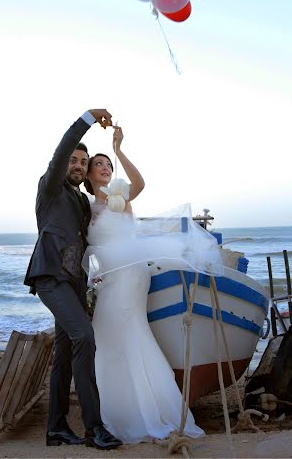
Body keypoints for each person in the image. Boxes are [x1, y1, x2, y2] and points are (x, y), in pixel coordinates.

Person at [83, 126, 205, 443]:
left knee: (127, 333)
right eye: (99, 163)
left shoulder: (119, 197)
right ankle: (117, 410)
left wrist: (118, 149)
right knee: (106, 339)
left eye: (108, 164)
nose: (105, 167)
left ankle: (144, 412)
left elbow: (140, 183)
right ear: (88, 173)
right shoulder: (86, 208)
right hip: (109, 280)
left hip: (130, 276)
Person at [24, 109, 122, 450]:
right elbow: (61, 151)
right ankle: (94, 428)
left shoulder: (81, 200)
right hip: (50, 276)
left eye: (83, 162)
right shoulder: (50, 188)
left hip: (76, 283)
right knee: (85, 337)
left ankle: (57, 428)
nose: (78, 165)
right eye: (73, 160)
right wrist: (88, 118)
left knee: (64, 353)